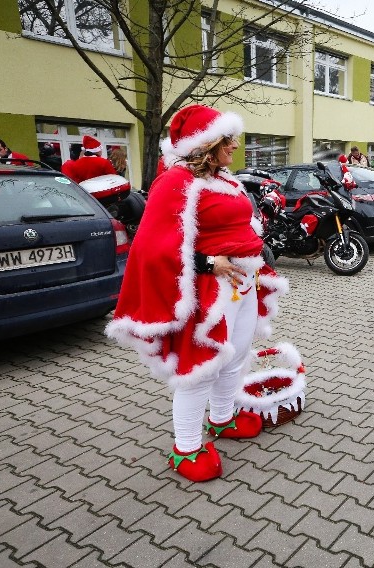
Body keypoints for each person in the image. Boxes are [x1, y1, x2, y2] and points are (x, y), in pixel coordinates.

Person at [106, 104, 287, 482]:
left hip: (243, 282)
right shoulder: (177, 181)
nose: (235, 146)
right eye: (229, 140)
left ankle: (221, 420)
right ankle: (186, 447)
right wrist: (209, 264)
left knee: (235, 357)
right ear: (208, 143)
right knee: (200, 369)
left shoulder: (226, 179)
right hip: (210, 289)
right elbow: (157, 245)